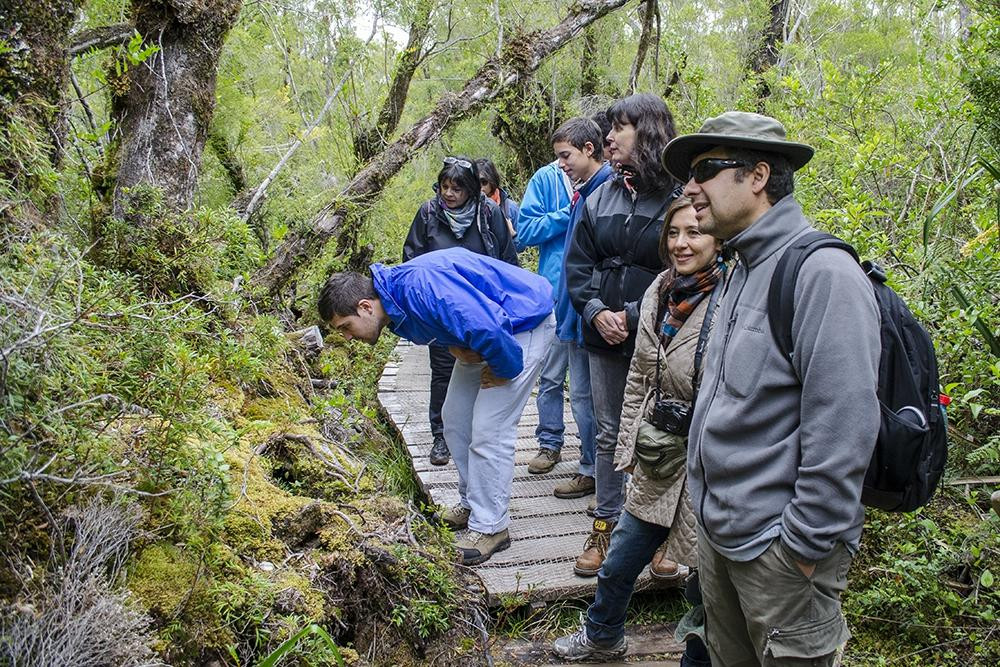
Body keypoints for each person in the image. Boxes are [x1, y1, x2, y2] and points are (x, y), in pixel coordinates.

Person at [661, 111, 880, 665]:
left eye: (707, 169)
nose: (691, 187)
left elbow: (846, 425)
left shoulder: (822, 273)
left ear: (758, 176)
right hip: (720, 540)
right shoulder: (739, 269)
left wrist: (801, 550)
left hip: (779, 556)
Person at [553, 196, 719, 665]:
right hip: (659, 452)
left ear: (718, 236)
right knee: (621, 557)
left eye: (695, 232)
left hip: (710, 463)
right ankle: (603, 635)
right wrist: (628, 446)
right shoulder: (661, 291)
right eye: (673, 233)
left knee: (708, 584)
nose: (682, 244)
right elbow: (640, 378)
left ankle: (699, 659)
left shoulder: (731, 296)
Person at [318, 248, 554, 565]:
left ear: (364, 307)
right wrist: (455, 346)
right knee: (454, 418)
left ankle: (492, 527)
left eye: (346, 326)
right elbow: (450, 322)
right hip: (488, 331)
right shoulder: (391, 303)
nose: (347, 337)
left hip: (520, 326)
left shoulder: (419, 288)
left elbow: (486, 326)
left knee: (489, 429)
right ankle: (474, 501)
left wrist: (503, 369)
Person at [564, 93, 681, 576]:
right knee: (610, 432)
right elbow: (577, 265)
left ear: (649, 133)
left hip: (662, 337)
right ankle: (606, 525)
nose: (608, 138)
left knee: (665, 429)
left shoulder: (680, 197)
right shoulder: (600, 195)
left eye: (621, 128)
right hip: (602, 336)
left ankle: (661, 535)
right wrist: (594, 311)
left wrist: (632, 316)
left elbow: (685, 267)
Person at [402, 156, 518, 467]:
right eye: (444, 187)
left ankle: (481, 433)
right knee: (442, 371)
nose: (449, 194)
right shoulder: (428, 214)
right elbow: (411, 259)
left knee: (484, 368)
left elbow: (507, 259)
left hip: (483, 311)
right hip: (440, 312)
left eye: (457, 188)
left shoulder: (488, 213)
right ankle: (441, 436)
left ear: (471, 190)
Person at [544, 117, 615, 501]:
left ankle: (599, 475)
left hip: (593, 313)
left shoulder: (604, 191)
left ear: (590, 149)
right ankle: (590, 467)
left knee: (595, 401)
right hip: (575, 311)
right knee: (584, 397)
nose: (562, 164)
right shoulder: (585, 191)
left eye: (566, 155)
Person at [474, 157, 520, 237]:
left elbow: (522, 243)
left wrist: (511, 234)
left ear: (492, 180)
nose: (480, 187)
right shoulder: (467, 209)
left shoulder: (511, 208)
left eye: (484, 182)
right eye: (476, 182)